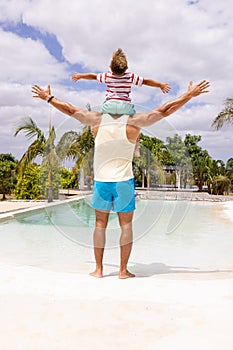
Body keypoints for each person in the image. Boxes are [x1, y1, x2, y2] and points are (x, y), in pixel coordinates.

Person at [32, 79, 210, 279]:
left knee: (100, 224)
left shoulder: (97, 121)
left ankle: (98, 270)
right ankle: (123, 271)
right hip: (124, 180)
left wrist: (48, 97)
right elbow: (165, 109)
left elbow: (71, 110)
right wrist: (189, 95)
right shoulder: (134, 122)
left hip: (102, 181)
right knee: (126, 226)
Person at [71, 48, 171, 156]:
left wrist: (81, 76)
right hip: (125, 107)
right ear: (127, 67)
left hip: (109, 106)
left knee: (99, 122)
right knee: (137, 122)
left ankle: (100, 142)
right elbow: (146, 81)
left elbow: (93, 76)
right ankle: (136, 148)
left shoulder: (108, 76)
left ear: (110, 67)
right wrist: (160, 85)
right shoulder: (130, 76)